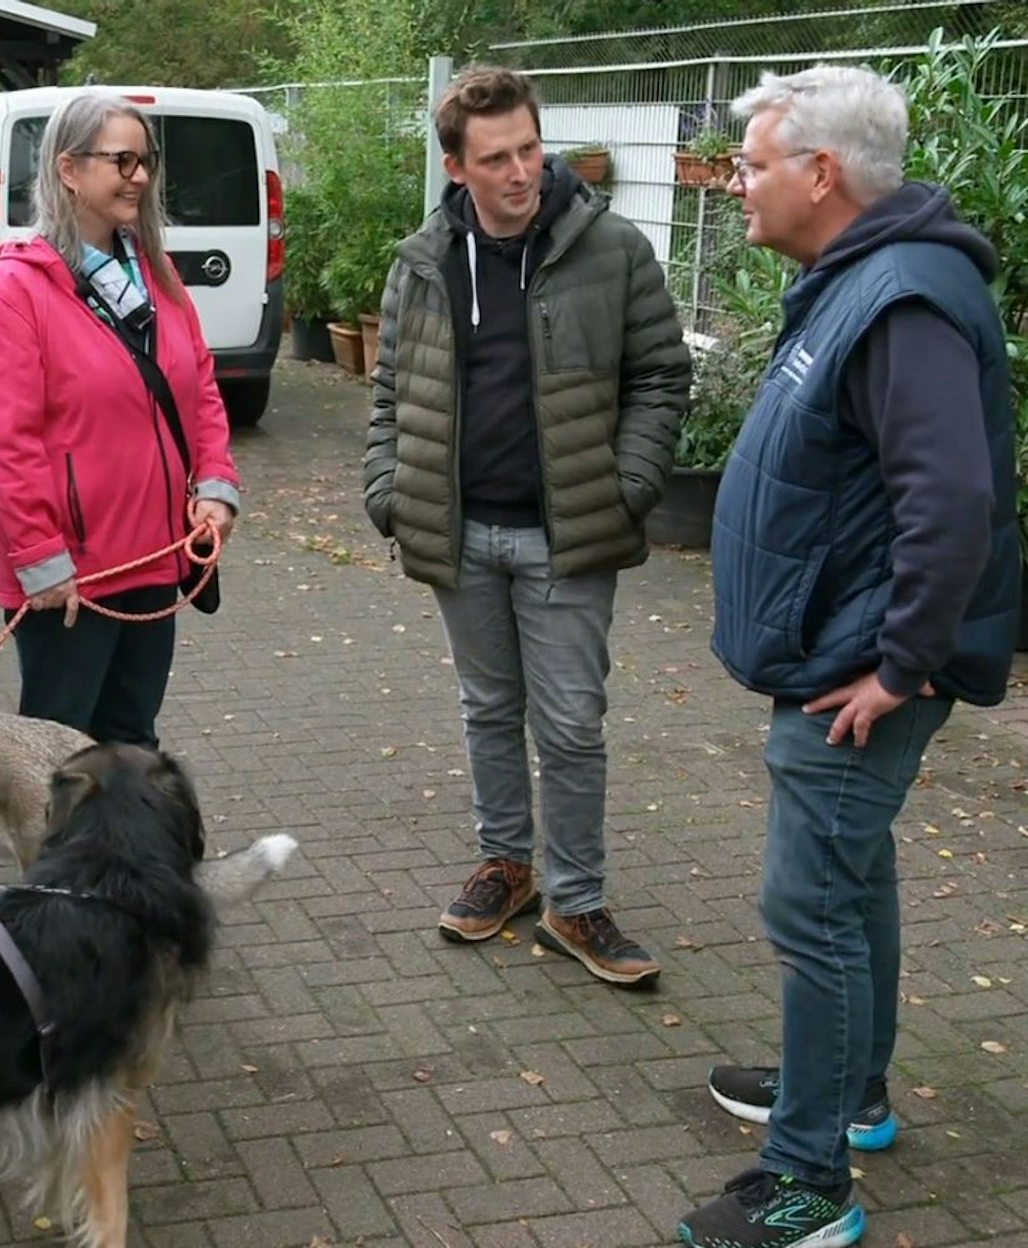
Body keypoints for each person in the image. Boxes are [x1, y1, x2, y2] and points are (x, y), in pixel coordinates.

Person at [679, 65, 1017, 1248]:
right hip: (836, 650)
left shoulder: (901, 296)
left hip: (857, 672)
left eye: (756, 163)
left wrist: (899, 663)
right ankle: (847, 1090)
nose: (738, 182)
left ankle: (808, 1182)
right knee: (848, 877)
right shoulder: (856, 281)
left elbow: (952, 499)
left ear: (820, 175)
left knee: (809, 900)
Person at [362, 66, 690, 982]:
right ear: (454, 166)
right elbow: (390, 386)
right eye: (496, 157)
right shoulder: (421, 261)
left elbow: (661, 374)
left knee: (572, 722)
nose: (521, 172)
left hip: (569, 532)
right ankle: (506, 867)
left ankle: (576, 904)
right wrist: (388, 487)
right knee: (488, 709)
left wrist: (627, 485)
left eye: (530, 149)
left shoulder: (610, 247)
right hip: (457, 530)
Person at [0, 91, 240, 747]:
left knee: (131, 741)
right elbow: (6, 446)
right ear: (68, 169)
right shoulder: (10, 293)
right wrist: (40, 558)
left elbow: (198, 385)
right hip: (70, 578)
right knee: (58, 758)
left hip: (155, 556)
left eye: (145, 161)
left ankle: (133, 855)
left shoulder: (156, 273)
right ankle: (70, 857)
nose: (138, 177)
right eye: (121, 160)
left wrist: (215, 485)